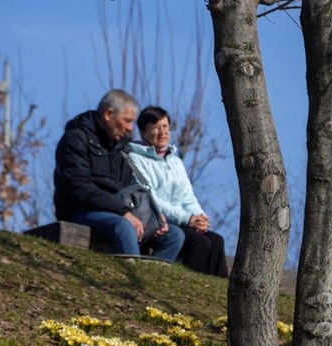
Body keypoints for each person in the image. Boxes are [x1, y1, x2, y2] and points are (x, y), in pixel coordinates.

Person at [53, 89, 184, 261]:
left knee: (174, 235)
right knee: (124, 226)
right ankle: (132, 274)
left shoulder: (122, 146)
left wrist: (153, 216)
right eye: (127, 121)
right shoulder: (75, 139)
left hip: (117, 210)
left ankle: (150, 275)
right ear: (109, 114)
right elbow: (81, 188)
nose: (130, 127)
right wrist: (123, 212)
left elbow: (130, 187)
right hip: (80, 210)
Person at [128, 106, 229, 278]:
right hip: (156, 220)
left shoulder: (176, 162)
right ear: (143, 132)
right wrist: (188, 219)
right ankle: (190, 285)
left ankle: (221, 291)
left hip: (181, 220)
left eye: (165, 126)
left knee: (216, 240)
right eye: (156, 127)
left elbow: (187, 196)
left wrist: (199, 218)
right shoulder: (135, 158)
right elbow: (150, 199)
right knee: (200, 243)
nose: (162, 132)